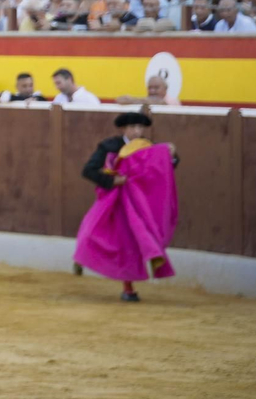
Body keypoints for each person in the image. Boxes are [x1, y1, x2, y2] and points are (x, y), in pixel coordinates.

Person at [75, 111, 179, 302]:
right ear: (124, 128)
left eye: (140, 127)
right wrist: (112, 180)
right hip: (113, 200)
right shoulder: (109, 146)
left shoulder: (147, 147)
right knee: (90, 232)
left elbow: (163, 168)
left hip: (136, 204)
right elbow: (88, 170)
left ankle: (128, 289)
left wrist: (172, 156)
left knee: (129, 243)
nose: (137, 131)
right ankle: (82, 257)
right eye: (133, 127)